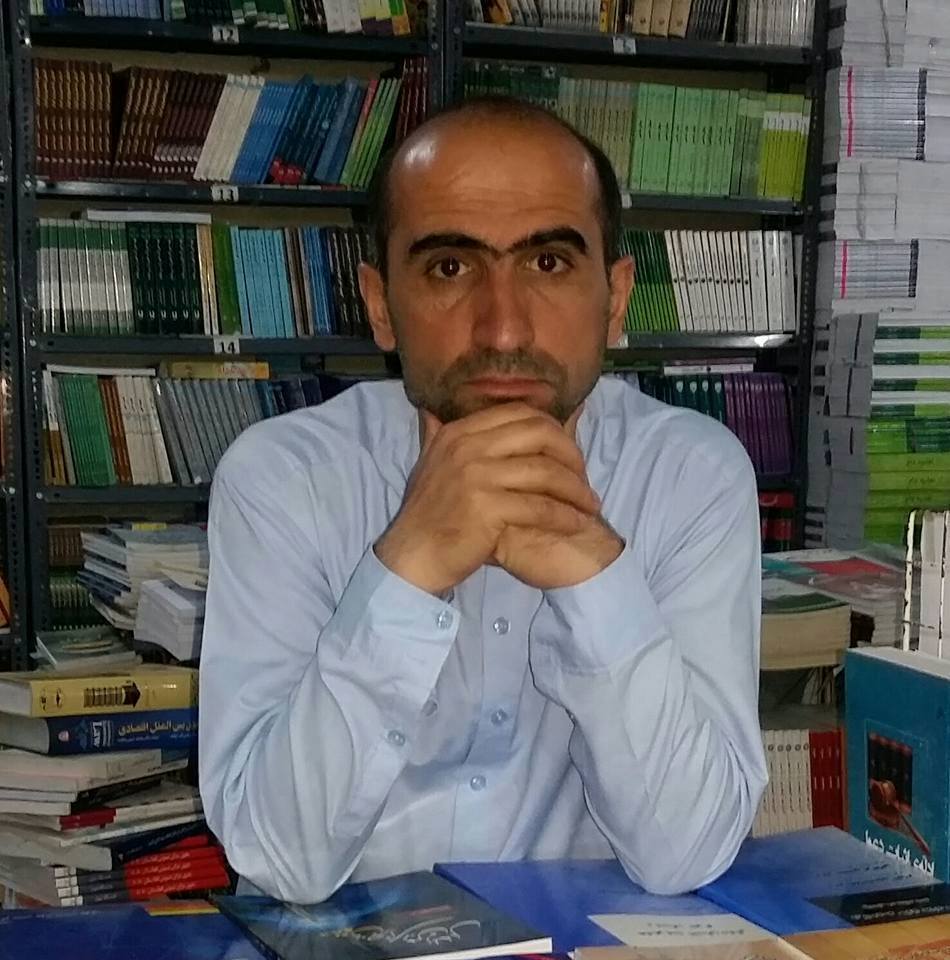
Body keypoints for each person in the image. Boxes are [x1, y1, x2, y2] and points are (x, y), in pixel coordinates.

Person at [198, 96, 768, 905]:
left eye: (548, 264)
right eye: (449, 268)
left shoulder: (690, 475)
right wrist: (408, 567)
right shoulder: (283, 478)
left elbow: (688, 852)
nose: (503, 330)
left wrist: (595, 577)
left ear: (615, 298)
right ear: (379, 305)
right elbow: (277, 859)